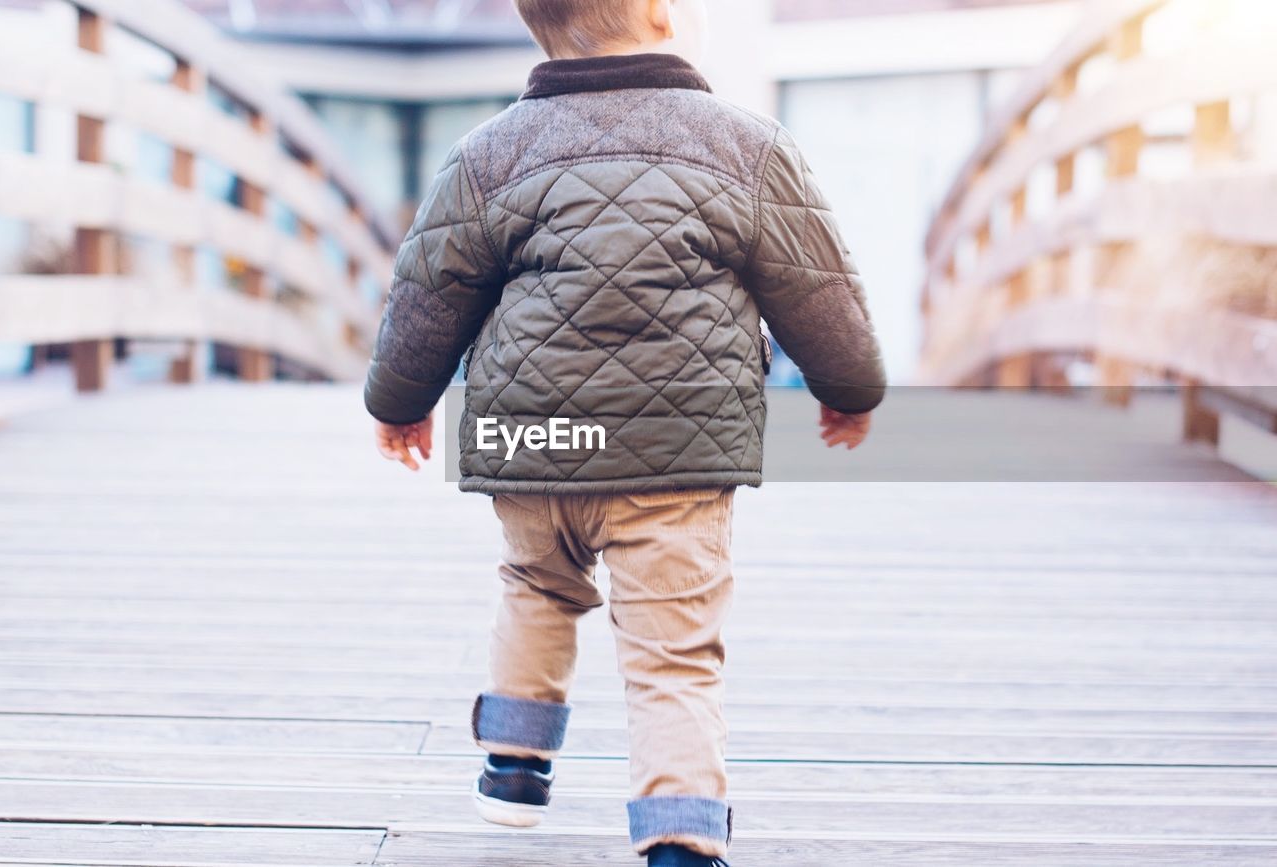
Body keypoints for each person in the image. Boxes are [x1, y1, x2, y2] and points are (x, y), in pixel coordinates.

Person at [363, 1, 886, 863]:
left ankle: (514, 765)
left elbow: (428, 294)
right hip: (674, 455)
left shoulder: (489, 154)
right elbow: (816, 286)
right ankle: (679, 838)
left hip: (533, 450)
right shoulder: (747, 147)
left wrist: (400, 401)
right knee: (673, 650)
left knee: (536, 586)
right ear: (656, 12)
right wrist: (848, 386)